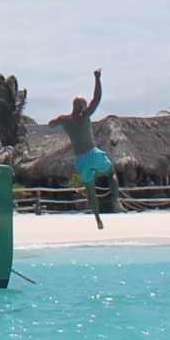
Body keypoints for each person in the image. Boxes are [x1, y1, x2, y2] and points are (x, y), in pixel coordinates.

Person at [50, 69, 119, 229]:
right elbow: (97, 98)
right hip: (92, 154)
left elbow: (51, 124)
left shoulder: (65, 120)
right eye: (85, 105)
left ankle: (97, 219)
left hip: (80, 160)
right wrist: (97, 78)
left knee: (90, 192)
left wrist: (59, 119)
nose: (87, 106)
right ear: (82, 107)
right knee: (111, 172)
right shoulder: (84, 115)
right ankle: (116, 200)